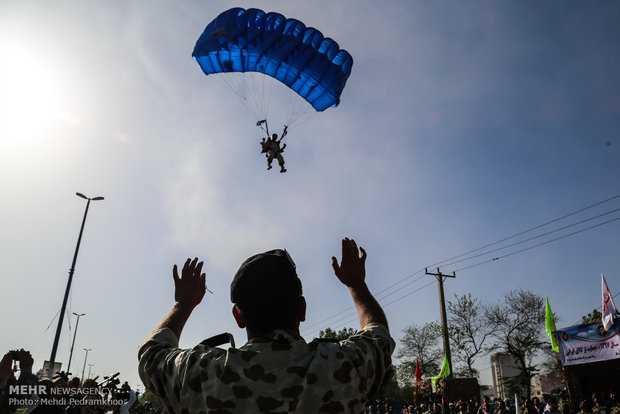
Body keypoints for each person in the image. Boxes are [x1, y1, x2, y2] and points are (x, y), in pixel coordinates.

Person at [138, 237, 395, 413]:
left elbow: (151, 357)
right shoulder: (342, 366)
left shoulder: (202, 372)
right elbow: (378, 337)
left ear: (238, 317)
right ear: (302, 309)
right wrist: (356, 285)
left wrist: (183, 304)